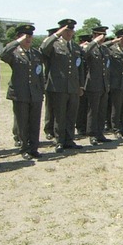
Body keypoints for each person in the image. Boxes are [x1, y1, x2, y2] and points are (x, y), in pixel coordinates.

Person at [0, 24, 44, 160]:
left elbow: (39, 73)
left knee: (35, 122)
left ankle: (34, 147)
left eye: (30, 36)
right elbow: (3, 54)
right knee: (22, 122)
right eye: (25, 36)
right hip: (20, 93)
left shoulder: (35, 53)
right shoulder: (14, 53)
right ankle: (24, 148)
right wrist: (17, 42)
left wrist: (41, 90)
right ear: (18, 37)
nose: (28, 39)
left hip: (35, 93)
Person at [40, 19, 84, 153]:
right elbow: (42, 49)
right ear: (62, 31)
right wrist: (56, 35)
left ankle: (69, 139)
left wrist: (80, 85)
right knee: (60, 115)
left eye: (72, 30)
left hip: (73, 87)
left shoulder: (75, 47)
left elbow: (80, 67)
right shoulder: (54, 45)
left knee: (71, 115)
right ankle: (59, 141)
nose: (70, 33)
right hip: (58, 87)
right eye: (67, 30)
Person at [83, 25, 112, 145]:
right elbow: (83, 53)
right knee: (93, 111)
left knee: (102, 111)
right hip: (93, 84)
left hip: (104, 84)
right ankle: (92, 134)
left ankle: (100, 133)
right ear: (94, 35)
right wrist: (93, 42)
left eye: (104, 35)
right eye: (100, 35)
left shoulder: (104, 49)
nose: (102, 38)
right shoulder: (90, 47)